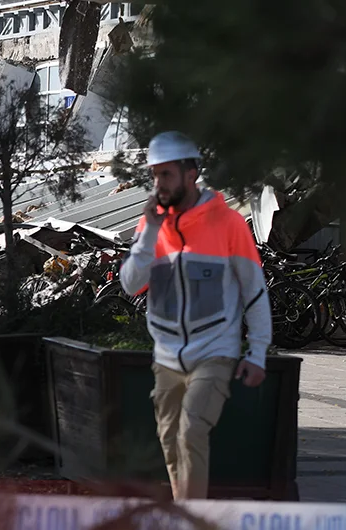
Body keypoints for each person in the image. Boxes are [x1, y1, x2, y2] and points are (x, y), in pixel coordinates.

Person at [119, 131, 272, 500]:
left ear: (192, 174)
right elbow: (129, 284)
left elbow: (254, 290)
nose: (159, 184)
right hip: (167, 356)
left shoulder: (229, 224)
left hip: (216, 351)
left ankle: (193, 520)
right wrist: (148, 235)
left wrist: (258, 352)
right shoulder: (151, 225)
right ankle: (185, 510)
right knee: (170, 442)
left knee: (191, 431)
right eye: (154, 175)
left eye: (166, 174)